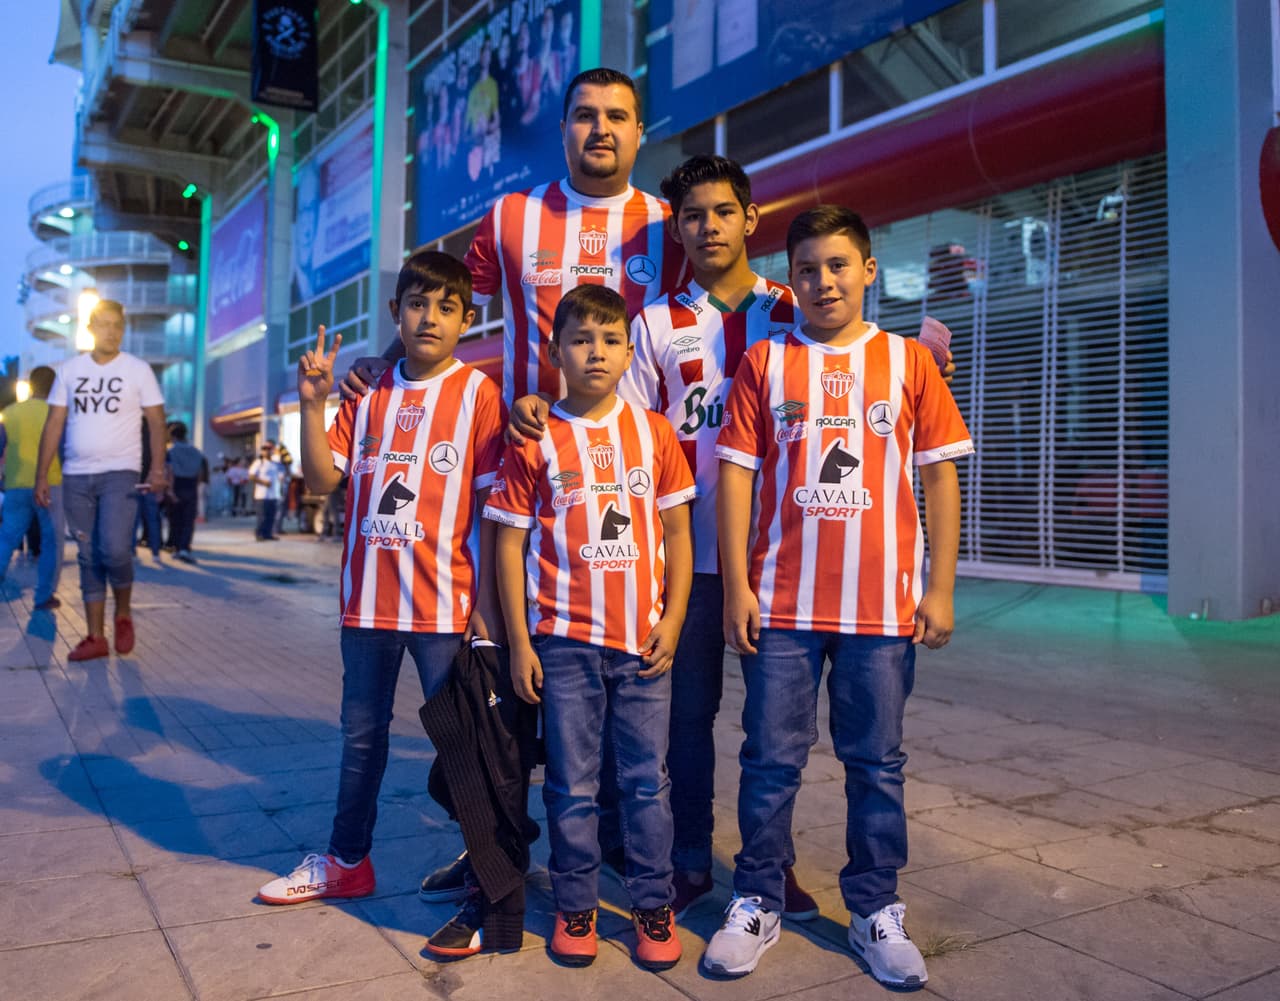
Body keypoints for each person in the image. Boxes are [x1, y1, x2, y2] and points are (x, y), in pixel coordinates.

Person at [704, 205, 973, 988]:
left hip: (882, 611)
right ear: (791, 279)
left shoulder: (907, 363)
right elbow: (736, 478)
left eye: (839, 265)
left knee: (877, 764)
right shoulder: (764, 361)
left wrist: (942, 586)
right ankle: (757, 898)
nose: (824, 280)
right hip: (781, 607)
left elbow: (939, 475)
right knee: (769, 761)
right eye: (809, 268)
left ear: (868, 270)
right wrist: (738, 588)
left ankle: (874, 909)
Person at [257, 250, 505, 911]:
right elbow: (319, 479)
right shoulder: (367, 395)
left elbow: (491, 511)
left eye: (446, 307)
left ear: (467, 320)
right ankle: (347, 860)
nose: (430, 317)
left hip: (445, 609)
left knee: (462, 738)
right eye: (417, 304)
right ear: (396, 313)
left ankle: (489, 865)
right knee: (360, 735)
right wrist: (313, 404)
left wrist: (487, 606)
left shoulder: (480, 396)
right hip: (366, 606)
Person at [483, 285, 693, 971]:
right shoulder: (536, 437)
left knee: (646, 783)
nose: (594, 351)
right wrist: (519, 640)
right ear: (555, 352)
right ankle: (575, 901)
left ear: (629, 352)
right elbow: (508, 543)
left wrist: (675, 615)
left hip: (643, 646)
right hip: (563, 645)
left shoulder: (655, 431)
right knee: (572, 784)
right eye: (580, 339)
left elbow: (677, 533)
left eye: (609, 339)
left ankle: (651, 904)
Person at [342, 67, 685, 411]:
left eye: (616, 116)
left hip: (636, 450)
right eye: (585, 116)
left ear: (638, 133)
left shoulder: (670, 224)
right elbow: (449, 304)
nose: (601, 129)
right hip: (527, 446)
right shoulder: (512, 214)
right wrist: (387, 361)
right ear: (564, 130)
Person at [34, 299, 167, 661]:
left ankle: (122, 612)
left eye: (117, 326)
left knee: (114, 549)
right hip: (77, 475)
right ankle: (95, 637)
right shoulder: (70, 370)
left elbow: (156, 421)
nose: (111, 332)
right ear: (91, 328)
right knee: (88, 554)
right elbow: (54, 424)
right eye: (104, 325)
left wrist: (157, 467)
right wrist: (42, 475)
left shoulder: (137, 370)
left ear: (123, 330)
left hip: (119, 472)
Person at [0, 366, 65, 610]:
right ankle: (44, 595)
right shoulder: (58, 412)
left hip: (16, 483)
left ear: (31, 384)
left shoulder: (10, 412)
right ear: (54, 386)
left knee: (7, 536)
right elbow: (65, 448)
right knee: (51, 541)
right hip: (51, 483)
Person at [165, 422, 207, 563]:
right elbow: (201, 472)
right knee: (188, 520)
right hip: (191, 485)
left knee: (176, 520)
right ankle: (184, 547)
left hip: (176, 484)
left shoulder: (171, 451)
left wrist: (170, 491)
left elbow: (169, 471)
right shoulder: (196, 451)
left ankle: (177, 547)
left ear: (172, 436)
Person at [247, 441, 282, 541]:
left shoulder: (275, 464)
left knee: (271, 516)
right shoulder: (259, 463)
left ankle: (268, 534)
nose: (266, 451)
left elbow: (283, 472)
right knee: (262, 517)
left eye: (268, 449)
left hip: (273, 495)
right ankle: (259, 534)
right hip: (262, 495)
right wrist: (263, 482)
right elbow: (251, 476)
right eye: (264, 449)